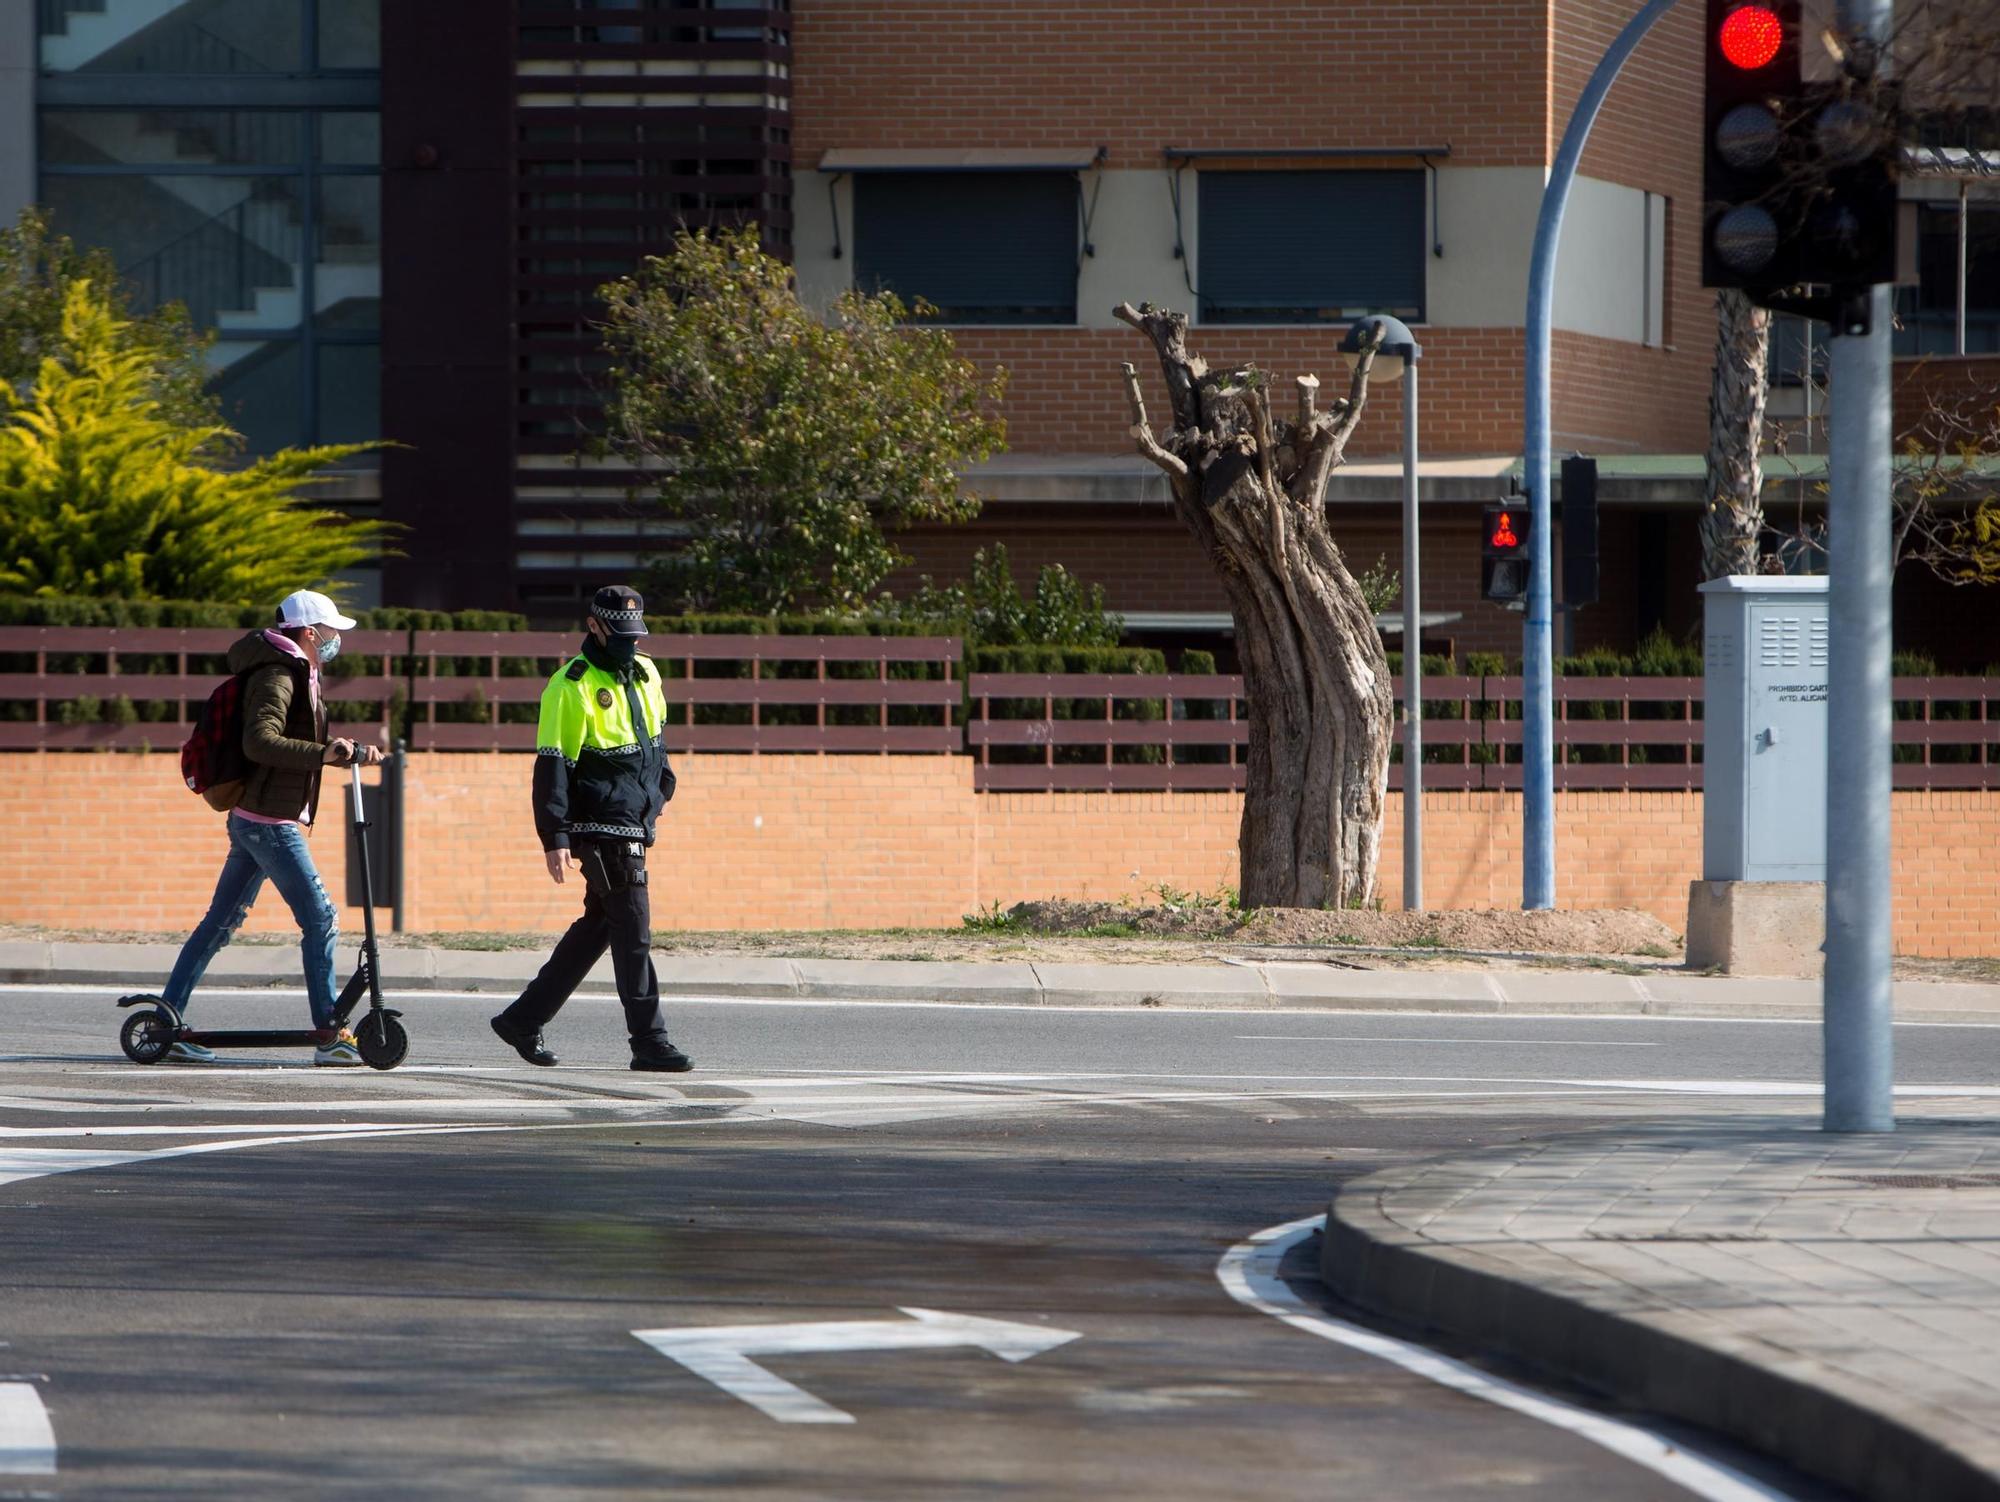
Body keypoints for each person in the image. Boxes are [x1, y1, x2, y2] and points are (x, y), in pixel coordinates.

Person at [158, 589, 383, 1066]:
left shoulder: (295, 672)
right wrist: (322, 753)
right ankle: (329, 1033)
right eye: (331, 633)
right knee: (320, 919)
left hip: (256, 819)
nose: (335, 641)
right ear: (308, 633)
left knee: (219, 923)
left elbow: (296, 743)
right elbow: (261, 741)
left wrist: (348, 753)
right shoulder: (278, 676)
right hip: (267, 823)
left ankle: (166, 1020)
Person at [491, 586, 692, 1072]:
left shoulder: (647, 671)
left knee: (601, 926)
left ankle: (522, 1019)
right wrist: (555, 836)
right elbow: (552, 766)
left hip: (635, 817)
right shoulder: (569, 685)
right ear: (595, 626)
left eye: (635, 634)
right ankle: (649, 1040)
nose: (630, 643)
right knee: (635, 929)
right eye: (619, 634)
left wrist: (663, 788)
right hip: (601, 825)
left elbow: (658, 741)